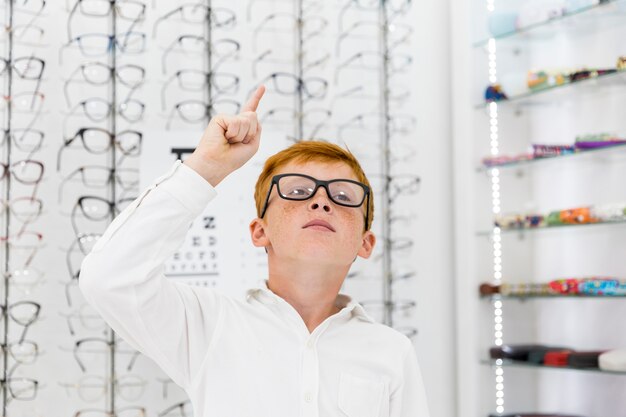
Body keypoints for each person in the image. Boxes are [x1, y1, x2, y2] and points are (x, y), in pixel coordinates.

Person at [79, 86, 429, 417]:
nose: (321, 201)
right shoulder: (210, 325)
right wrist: (205, 168)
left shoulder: (392, 352)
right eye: (298, 191)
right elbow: (109, 278)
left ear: (365, 243)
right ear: (260, 232)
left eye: (342, 196)